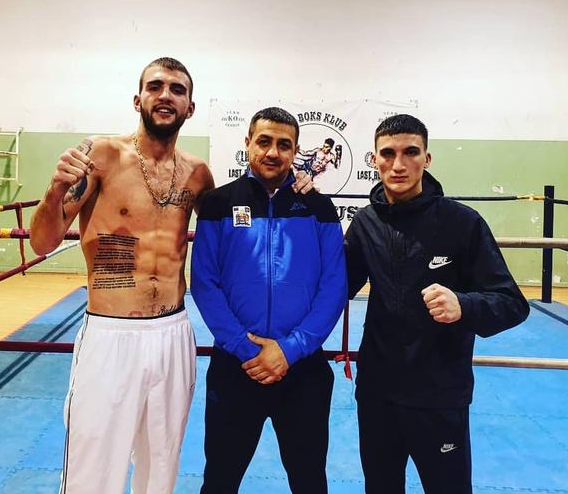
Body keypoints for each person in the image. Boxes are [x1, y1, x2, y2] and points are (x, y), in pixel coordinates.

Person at [30, 57, 214, 494]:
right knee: (92, 470)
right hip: (110, 334)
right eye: (156, 86)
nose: (165, 95)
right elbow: (41, 242)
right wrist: (56, 189)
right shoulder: (101, 157)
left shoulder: (198, 175)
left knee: (161, 467)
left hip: (172, 332)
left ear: (190, 108)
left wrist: (297, 188)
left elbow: (236, 236)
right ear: (138, 99)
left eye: (177, 89)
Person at [344, 114, 530, 494]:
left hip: (439, 393)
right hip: (377, 393)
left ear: (427, 158)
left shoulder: (462, 223)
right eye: (388, 153)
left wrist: (464, 305)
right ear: (374, 160)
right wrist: (305, 207)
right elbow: (335, 287)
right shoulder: (365, 223)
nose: (398, 165)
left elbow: (512, 303)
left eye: (410, 152)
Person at [191, 106, 347, 494]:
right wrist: (246, 349)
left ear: (295, 151)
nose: (273, 152)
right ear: (248, 143)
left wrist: (290, 349)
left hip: (302, 369)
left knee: (310, 482)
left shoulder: (319, 207)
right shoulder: (218, 203)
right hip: (236, 366)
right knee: (219, 481)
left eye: (284, 145)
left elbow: (334, 286)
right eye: (264, 141)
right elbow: (205, 283)